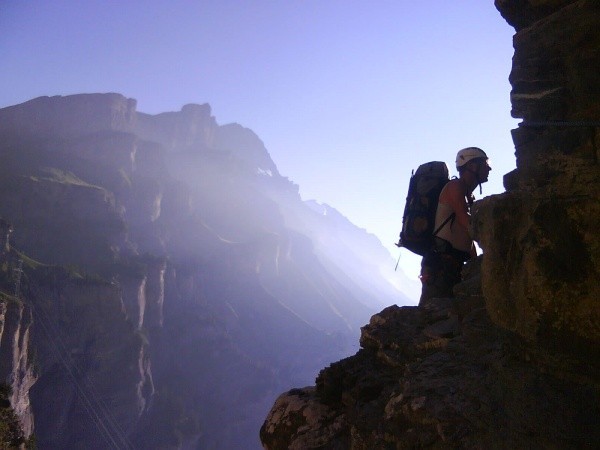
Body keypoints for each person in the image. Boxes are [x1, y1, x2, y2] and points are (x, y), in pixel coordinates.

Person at [419, 147, 491, 306]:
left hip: (450, 264)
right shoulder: (455, 187)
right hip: (441, 265)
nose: (489, 168)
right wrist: (489, 237)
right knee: (432, 316)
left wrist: (476, 262)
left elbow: (466, 234)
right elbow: (465, 220)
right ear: (472, 165)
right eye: (486, 163)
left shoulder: (468, 195)